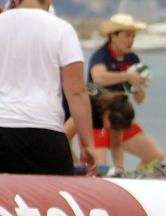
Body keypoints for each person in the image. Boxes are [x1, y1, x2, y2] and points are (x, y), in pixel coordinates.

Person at [0, 0, 95, 175]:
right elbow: (76, 92)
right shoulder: (62, 30)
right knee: (49, 199)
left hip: (2, 126)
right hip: (45, 131)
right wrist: (88, 144)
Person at [89, 13, 166, 177]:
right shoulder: (102, 55)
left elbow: (139, 100)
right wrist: (127, 76)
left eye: (133, 36)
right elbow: (99, 77)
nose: (130, 40)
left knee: (156, 157)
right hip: (97, 120)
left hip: (120, 118)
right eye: (126, 35)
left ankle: (133, 177)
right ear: (113, 36)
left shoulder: (133, 59)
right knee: (99, 170)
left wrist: (137, 85)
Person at [65, 90, 134, 175]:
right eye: (113, 127)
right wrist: (79, 166)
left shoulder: (116, 107)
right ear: (107, 114)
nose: (114, 131)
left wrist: (119, 168)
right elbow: (63, 139)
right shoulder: (88, 109)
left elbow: (116, 144)